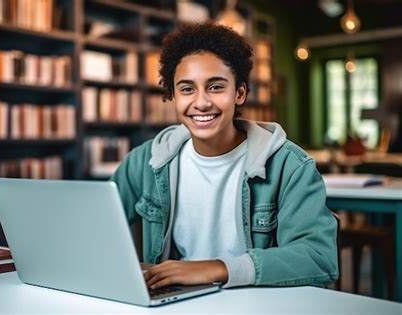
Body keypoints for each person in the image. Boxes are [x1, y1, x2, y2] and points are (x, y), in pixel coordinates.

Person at [110, 22, 338, 290]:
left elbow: (319, 258)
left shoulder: (289, 166)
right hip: (177, 303)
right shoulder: (146, 161)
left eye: (216, 87)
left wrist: (218, 268)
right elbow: (93, 226)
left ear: (239, 93)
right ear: (173, 96)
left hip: (257, 302)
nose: (201, 102)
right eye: (186, 89)